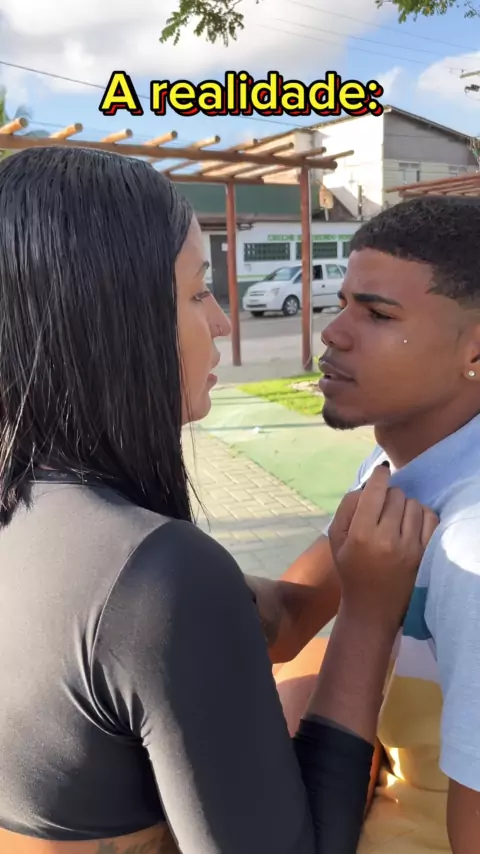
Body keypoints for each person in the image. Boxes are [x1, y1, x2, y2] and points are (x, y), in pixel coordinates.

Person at [0, 146, 437, 854]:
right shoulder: (151, 572)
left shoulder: (44, 519)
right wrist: (367, 616)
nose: (225, 323)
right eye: (199, 292)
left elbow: (276, 623)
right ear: (116, 320)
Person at [256, 194, 480, 853]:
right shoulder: (394, 468)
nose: (333, 332)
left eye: (377, 314)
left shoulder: (470, 542)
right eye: (343, 303)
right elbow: (290, 621)